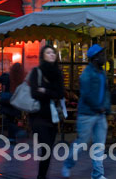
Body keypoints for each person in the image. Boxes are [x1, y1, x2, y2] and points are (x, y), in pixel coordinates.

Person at [62, 44, 110, 179]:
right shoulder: (86, 74)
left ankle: (98, 174)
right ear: (95, 58)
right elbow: (86, 94)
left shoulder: (102, 73)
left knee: (99, 145)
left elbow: (106, 91)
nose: (104, 57)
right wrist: (98, 107)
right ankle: (68, 163)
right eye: (102, 55)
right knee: (82, 142)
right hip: (87, 114)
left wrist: (106, 107)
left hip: (100, 114)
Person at [30, 45, 65, 179]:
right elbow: (34, 93)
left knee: (48, 149)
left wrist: (45, 91)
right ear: (43, 56)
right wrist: (51, 93)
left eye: (53, 53)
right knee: (45, 147)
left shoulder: (57, 73)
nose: (51, 55)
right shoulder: (37, 71)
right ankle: (41, 176)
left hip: (53, 116)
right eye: (48, 52)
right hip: (38, 116)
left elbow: (61, 94)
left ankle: (42, 175)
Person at [0, 63, 25, 143]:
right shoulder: (21, 79)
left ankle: (15, 132)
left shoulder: (7, 76)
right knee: (12, 119)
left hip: (8, 100)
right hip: (16, 101)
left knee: (8, 119)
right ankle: (12, 137)